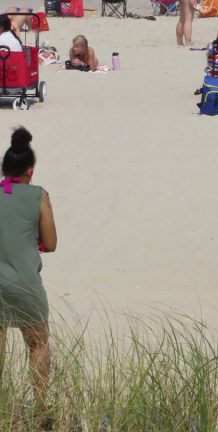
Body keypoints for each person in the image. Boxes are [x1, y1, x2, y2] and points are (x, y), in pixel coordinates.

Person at [0, 127, 57, 430]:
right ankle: (40, 404)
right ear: (30, 170)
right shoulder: (39, 196)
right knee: (37, 345)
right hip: (24, 282)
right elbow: (50, 243)